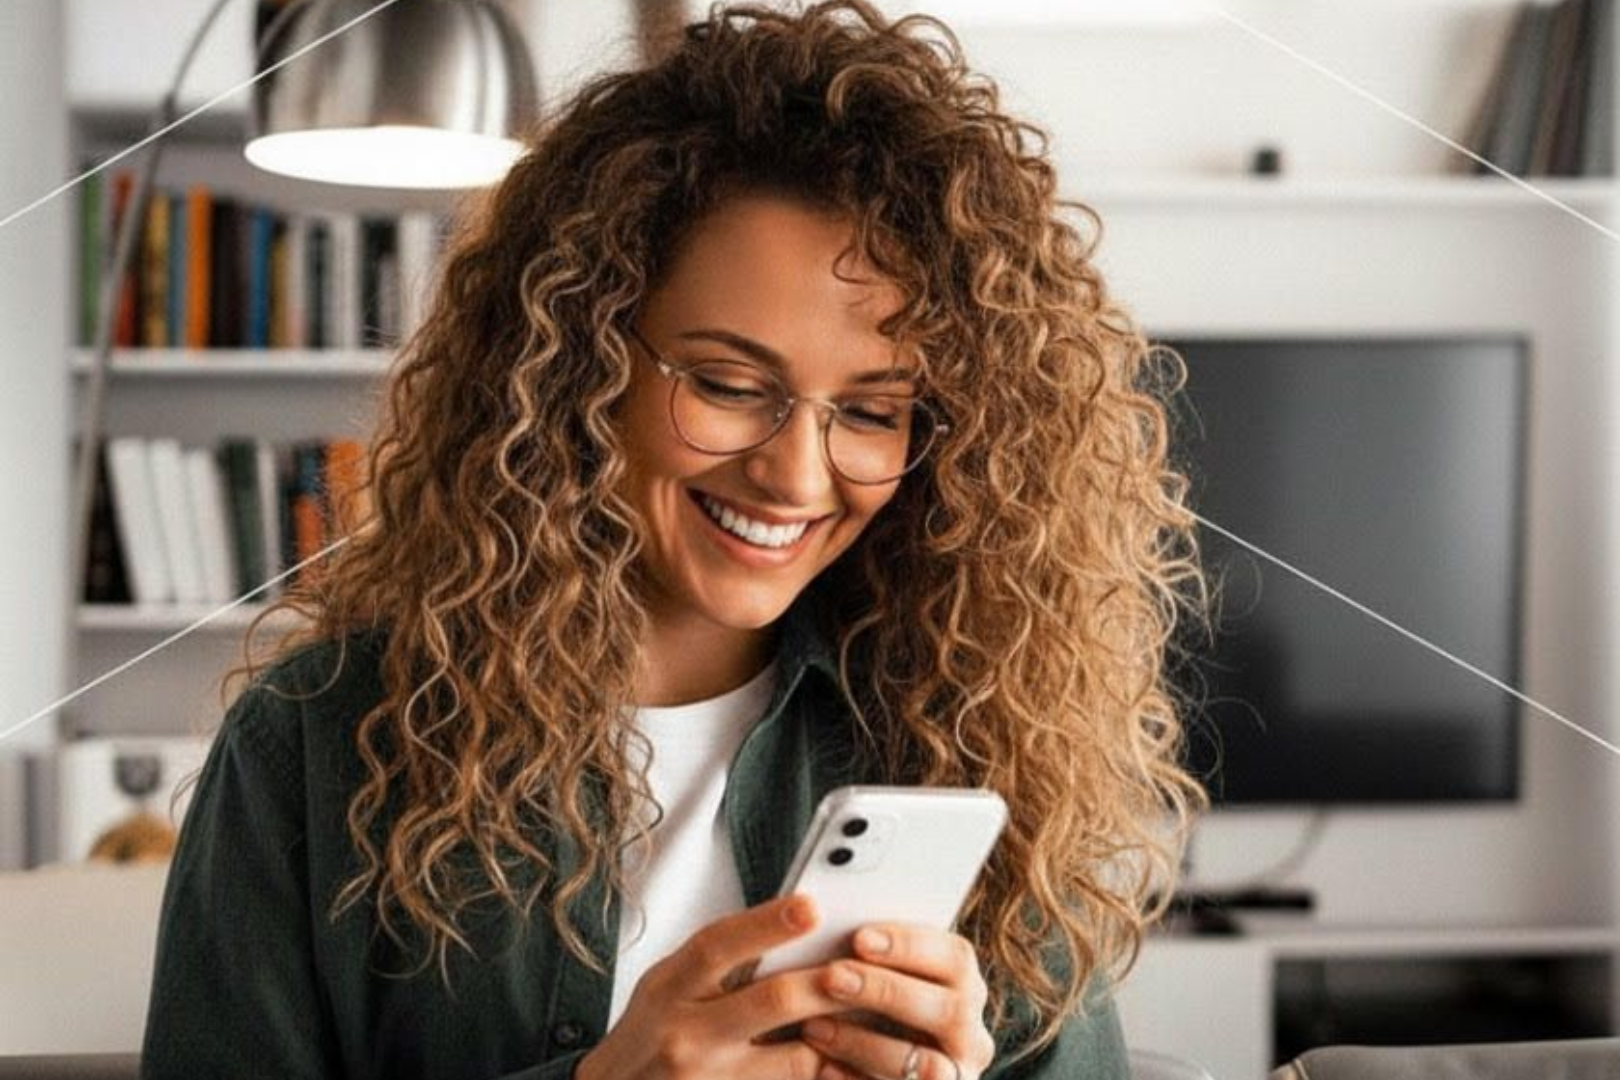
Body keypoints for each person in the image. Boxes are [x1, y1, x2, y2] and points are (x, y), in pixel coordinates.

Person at [140, 3, 1209, 1078]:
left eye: (873, 411)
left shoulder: (967, 733)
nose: (796, 476)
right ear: (578, 367)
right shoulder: (319, 747)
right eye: (729, 385)